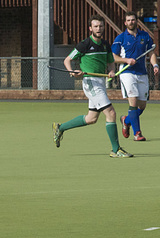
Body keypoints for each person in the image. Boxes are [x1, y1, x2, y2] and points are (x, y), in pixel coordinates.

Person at [52, 15, 132, 158]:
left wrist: (112, 70)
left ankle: (60, 128)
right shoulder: (85, 44)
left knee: (91, 118)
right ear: (90, 28)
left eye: (100, 26)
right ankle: (116, 150)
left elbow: (110, 61)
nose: (98, 29)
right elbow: (68, 60)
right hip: (90, 83)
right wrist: (73, 72)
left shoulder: (106, 44)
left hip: (100, 82)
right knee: (111, 113)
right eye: (95, 26)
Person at [111, 11, 159, 142]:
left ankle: (126, 120)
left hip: (142, 73)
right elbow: (114, 57)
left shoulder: (145, 36)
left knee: (142, 106)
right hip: (127, 73)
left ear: (136, 21)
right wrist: (126, 60)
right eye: (128, 20)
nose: (131, 22)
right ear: (125, 23)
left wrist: (155, 65)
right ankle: (137, 133)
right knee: (133, 101)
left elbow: (151, 53)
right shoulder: (120, 38)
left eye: (133, 20)